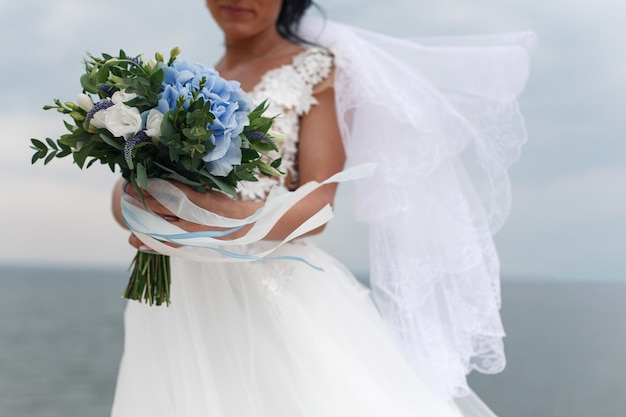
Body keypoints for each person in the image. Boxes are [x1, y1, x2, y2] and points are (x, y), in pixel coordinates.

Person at [110, 0, 534, 415]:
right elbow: (133, 185)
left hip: (271, 287)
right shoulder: (182, 83)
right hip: (178, 295)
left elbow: (318, 202)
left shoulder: (317, 70)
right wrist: (139, 204)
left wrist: (214, 216)